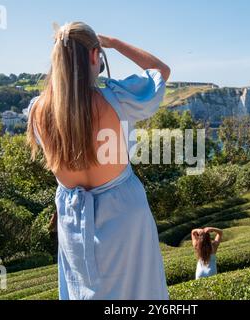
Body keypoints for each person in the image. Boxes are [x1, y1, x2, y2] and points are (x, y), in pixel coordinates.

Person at [26, 21, 171, 300]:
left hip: (72, 219)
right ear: (95, 55)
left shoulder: (37, 112)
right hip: (125, 217)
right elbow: (160, 72)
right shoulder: (117, 99)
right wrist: (114, 43)